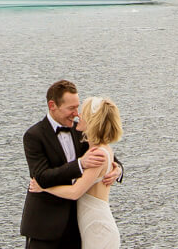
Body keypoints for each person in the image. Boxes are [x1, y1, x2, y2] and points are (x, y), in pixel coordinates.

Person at [20, 81, 124, 249]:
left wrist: (117, 169)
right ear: (52, 105)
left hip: (78, 228)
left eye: (78, 108)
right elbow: (42, 177)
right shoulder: (34, 136)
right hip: (45, 227)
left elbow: (104, 154)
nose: (76, 114)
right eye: (71, 108)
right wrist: (80, 164)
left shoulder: (82, 130)